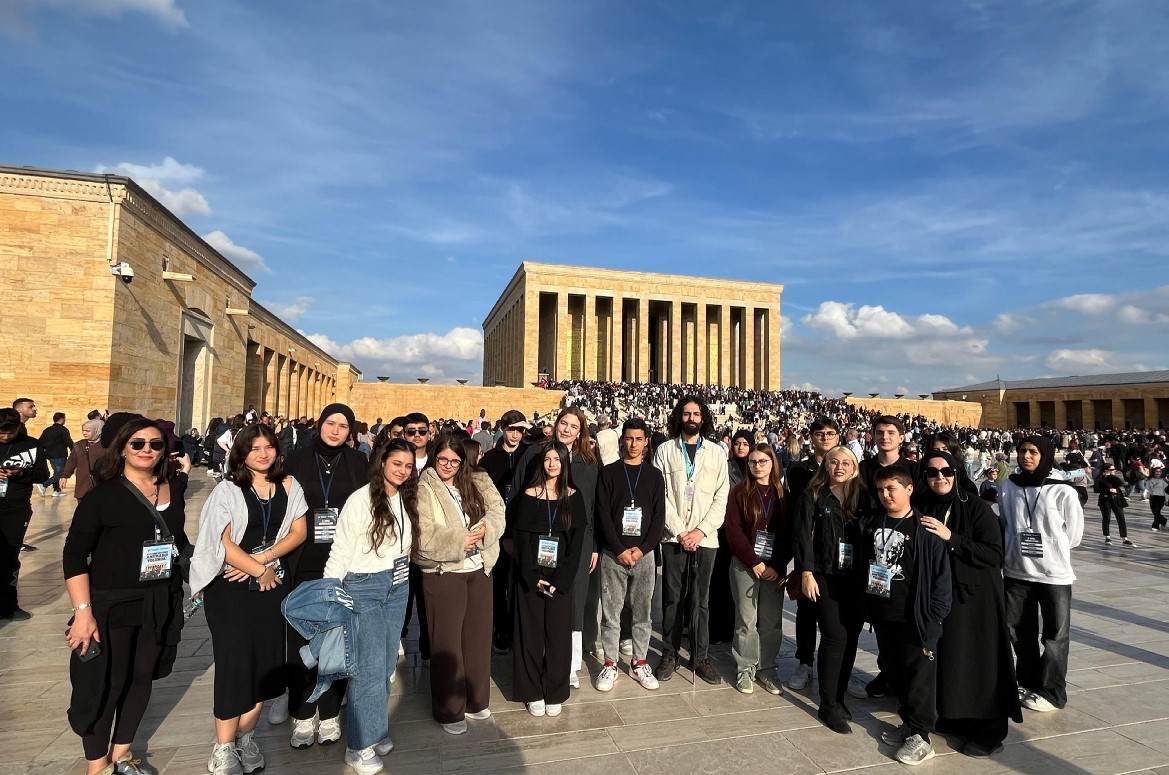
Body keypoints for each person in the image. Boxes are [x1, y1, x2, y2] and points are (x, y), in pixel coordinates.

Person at [63, 417, 192, 775]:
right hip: (112, 603)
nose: (147, 450)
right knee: (108, 681)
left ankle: (122, 755)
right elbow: (74, 554)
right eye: (138, 444)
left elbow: (177, 541)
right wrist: (83, 612)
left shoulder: (174, 487)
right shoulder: (103, 494)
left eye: (155, 444)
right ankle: (96, 764)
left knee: (141, 678)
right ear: (122, 447)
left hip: (158, 599)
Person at [189, 424, 308, 775]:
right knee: (235, 665)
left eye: (268, 446)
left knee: (265, 665)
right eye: (254, 448)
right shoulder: (227, 490)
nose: (262, 454)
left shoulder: (288, 485)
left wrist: (265, 560)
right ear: (240, 453)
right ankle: (224, 747)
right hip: (231, 590)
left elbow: (299, 531)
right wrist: (258, 570)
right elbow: (221, 542)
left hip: (271, 586)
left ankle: (247, 738)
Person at [915, 451, 1021, 758]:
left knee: (981, 661)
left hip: (975, 597)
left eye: (946, 471)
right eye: (932, 473)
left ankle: (988, 730)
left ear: (957, 473)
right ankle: (954, 717)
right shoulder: (923, 507)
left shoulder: (974, 507)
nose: (940, 478)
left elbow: (993, 554)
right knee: (952, 659)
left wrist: (952, 537)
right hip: (941, 595)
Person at [323, 438, 419, 775]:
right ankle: (358, 746)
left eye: (408, 466)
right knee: (368, 667)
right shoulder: (360, 500)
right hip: (364, 585)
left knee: (386, 662)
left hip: (398, 583)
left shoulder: (405, 497)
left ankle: (376, 730)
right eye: (397, 464)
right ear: (382, 462)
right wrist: (331, 595)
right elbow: (341, 549)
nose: (403, 471)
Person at [280, 404, 370, 749]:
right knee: (302, 639)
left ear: (351, 431)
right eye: (330, 423)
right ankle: (302, 714)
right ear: (319, 425)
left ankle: (330, 711)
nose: (335, 430)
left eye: (343, 425)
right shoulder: (297, 460)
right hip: (303, 559)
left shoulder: (359, 462)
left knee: (338, 638)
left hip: (343, 562)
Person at [415, 433, 506, 735]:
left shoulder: (477, 481)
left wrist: (486, 529)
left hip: (479, 568)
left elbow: (498, 511)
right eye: (443, 459)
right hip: (444, 571)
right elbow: (423, 535)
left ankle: (476, 700)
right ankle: (449, 709)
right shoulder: (423, 488)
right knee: (448, 643)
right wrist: (459, 540)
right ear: (433, 457)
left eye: (455, 461)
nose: (449, 466)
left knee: (478, 638)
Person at [865, 466, 951, 766]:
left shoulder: (926, 528)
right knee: (893, 671)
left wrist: (935, 616)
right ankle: (908, 723)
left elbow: (942, 577)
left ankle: (922, 736)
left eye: (892, 488)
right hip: (885, 613)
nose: (886, 495)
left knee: (918, 678)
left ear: (909, 490)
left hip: (915, 616)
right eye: (880, 490)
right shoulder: (875, 522)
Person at [509, 407, 599, 688]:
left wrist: (594, 545)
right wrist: (513, 538)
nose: (568, 429)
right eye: (564, 423)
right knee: (536, 598)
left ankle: (569, 665)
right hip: (536, 540)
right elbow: (516, 494)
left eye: (574, 425)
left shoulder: (588, 461)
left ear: (581, 430)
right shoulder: (535, 454)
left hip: (576, 543)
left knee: (572, 599)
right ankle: (537, 661)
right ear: (556, 424)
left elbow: (593, 507)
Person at [1002, 435, 1083, 714]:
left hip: (1054, 575)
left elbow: (1073, 536)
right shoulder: (1009, 487)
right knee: (1018, 631)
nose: (1026, 456)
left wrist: (1050, 549)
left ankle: (1052, 691)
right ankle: (1026, 680)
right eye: (1023, 451)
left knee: (1055, 636)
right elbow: (1006, 524)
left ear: (1045, 455)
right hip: (1017, 571)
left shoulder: (1063, 492)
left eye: (1033, 452)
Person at [653, 395, 729, 685]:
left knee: (701, 600)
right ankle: (669, 654)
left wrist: (699, 531)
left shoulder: (716, 453)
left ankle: (701, 657)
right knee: (672, 598)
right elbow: (661, 495)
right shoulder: (664, 451)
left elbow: (721, 497)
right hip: (674, 537)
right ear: (679, 417)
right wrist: (682, 531)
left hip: (706, 539)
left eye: (696, 413)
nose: (692, 418)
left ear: (703, 417)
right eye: (686, 413)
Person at [507, 441, 587, 716]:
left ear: (565, 463)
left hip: (560, 577)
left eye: (557, 459)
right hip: (531, 575)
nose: (552, 464)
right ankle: (531, 691)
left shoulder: (574, 497)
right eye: (547, 459)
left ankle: (555, 689)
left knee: (557, 635)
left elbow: (576, 545)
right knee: (529, 634)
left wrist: (562, 579)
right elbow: (521, 540)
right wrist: (532, 576)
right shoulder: (529, 495)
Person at [792, 446, 865, 733]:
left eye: (846, 462)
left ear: (854, 467)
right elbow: (801, 536)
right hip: (824, 573)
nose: (840, 466)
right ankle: (827, 702)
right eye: (834, 461)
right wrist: (806, 573)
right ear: (826, 465)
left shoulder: (863, 496)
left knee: (852, 635)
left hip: (855, 577)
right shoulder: (812, 494)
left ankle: (839, 694)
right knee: (834, 636)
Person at [593, 418, 665, 692]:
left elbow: (659, 518)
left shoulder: (654, 475)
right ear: (622, 439)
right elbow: (603, 515)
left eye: (639, 439)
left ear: (646, 441)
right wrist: (620, 549)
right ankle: (610, 663)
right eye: (629, 438)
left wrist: (643, 548)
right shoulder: (609, 473)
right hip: (614, 553)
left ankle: (639, 661)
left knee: (642, 613)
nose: (633, 444)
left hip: (644, 555)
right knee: (611, 613)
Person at [725, 443, 788, 696]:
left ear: (773, 463)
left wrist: (776, 566)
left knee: (771, 621)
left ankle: (767, 668)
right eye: (752, 462)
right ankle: (745, 667)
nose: (757, 466)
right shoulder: (740, 491)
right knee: (746, 620)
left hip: (774, 567)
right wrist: (754, 562)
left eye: (763, 461)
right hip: (745, 565)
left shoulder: (783, 494)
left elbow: (790, 534)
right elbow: (733, 531)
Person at [783, 417, 841, 692]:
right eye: (820, 434)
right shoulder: (799, 471)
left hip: (838, 552)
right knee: (806, 608)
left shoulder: (847, 468)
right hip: (809, 549)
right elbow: (799, 513)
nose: (826, 438)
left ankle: (837, 667)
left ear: (838, 437)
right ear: (812, 437)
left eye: (831, 433)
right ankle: (804, 661)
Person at [481, 410, 531, 654]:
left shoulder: (530, 455)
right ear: (502, 428)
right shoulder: (490, 459)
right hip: (497, 530)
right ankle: (501, 629)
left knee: (522, 580)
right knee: (499, 582)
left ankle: (518, 628)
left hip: (523, 526)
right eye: (511, 429)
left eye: (520, 430)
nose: (515, 434)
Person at [0, 407, 48, 619]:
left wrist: (21, 472)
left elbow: (43, 474)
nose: (5, 437)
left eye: (10, 432)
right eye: (1, 433)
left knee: (9, 556)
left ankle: (8, 604)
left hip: (16, 510)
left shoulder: (32, 445)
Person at [60, 417, 106, 500]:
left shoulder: (106, 446)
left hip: (101, 484)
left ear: (97, 430)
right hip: (83, 484)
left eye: (87, 431)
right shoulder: (79, 445)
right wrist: (64, 476)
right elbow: (71, 461)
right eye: (83, 430)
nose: (84, 433)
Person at [1094, 464, 1133, 546]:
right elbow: (1096, 489)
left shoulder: (1113, 477)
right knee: (1106, 518)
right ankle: (1107, 536)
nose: (1114, 471)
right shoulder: (1099, 478)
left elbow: (1120, 483)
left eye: (1114, 469)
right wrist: (1108, 490)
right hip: (1105, 500)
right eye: (1112, 469)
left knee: (1121, 518)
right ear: (1106, 470)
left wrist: (1110, 476)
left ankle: (1124, 538)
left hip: (1116, 499)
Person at [37, 411, 74, 497]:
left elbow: (40, 442)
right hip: (60, 455)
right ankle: (44, 485)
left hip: (50, 455)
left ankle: (57, 490)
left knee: (57, 472)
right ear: (61, 419)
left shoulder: (47, 430)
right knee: (61, 473)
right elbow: (68, 442)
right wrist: (74, 451)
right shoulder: (63, 430)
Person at [1148, 461, 1167, 531]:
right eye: (1156, 471)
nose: (1158, 473)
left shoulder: (1164, 480)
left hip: (1161, 497)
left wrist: (1167, 500)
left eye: (1159, 471)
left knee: (1157, 511)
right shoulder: (1150, 479)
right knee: (1154, 511)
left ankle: (1155, 525)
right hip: (1152, 497)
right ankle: (1163, 520)